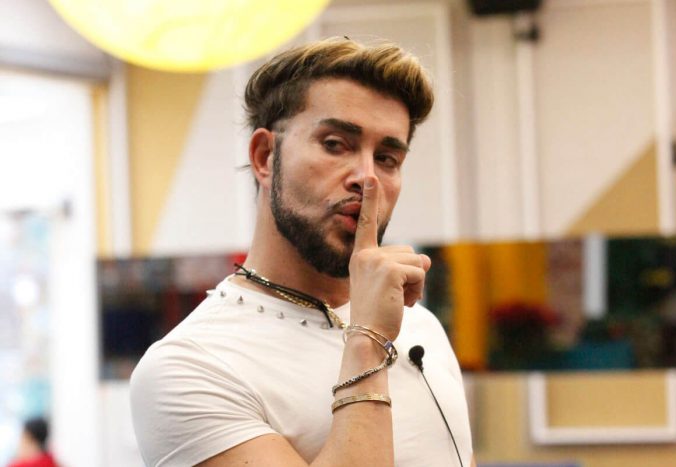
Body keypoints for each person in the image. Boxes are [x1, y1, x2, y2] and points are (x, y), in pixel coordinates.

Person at [130, 37, 474, 467]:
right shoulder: (189, 367)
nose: (366, 177)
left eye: (387, 157)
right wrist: (367, 340)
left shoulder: (420, 326)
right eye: (335, 144)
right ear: (265, 157)